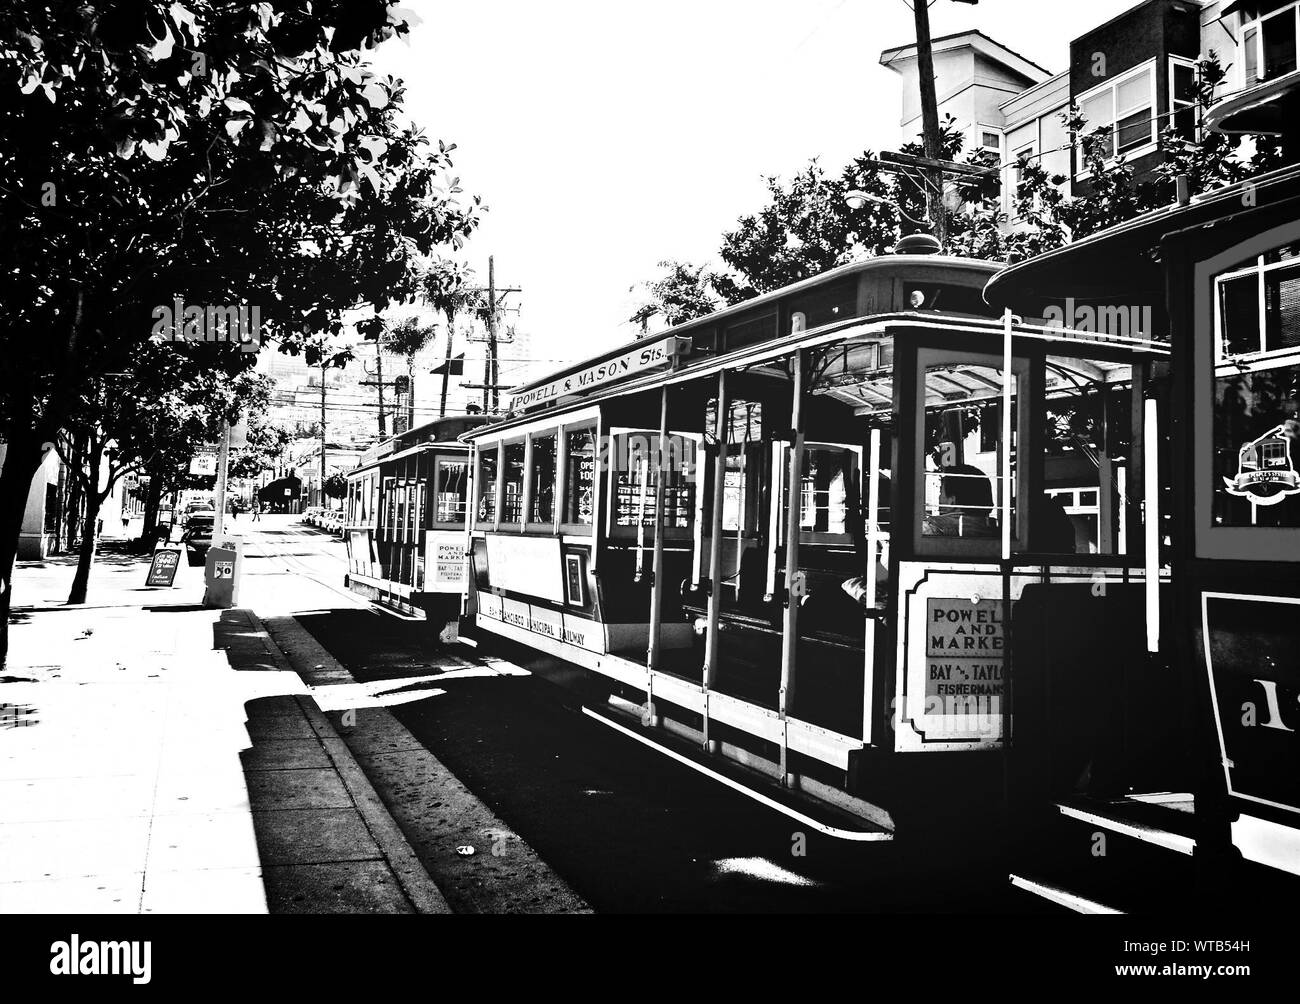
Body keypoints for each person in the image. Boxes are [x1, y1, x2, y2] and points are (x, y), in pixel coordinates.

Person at [923, 464, 997, 538]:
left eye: (941, 492)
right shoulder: (995, 530)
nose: (939, 497)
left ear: (952, 502)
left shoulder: (931, 527)